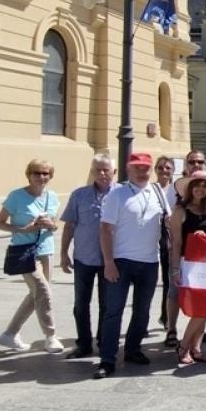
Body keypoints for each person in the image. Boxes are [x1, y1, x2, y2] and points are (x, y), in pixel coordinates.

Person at [95, 152, 169, 378]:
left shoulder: (157, 192)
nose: (141, 171)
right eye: (136, 167)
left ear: (150, 169)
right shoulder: (117, 194)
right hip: (122, 260)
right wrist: (108, 262)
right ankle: (107, 359)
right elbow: (106, 230)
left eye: (145, 167)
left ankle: (133, 349)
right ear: (129, 168)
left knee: (142, 311)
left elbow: (168, 221)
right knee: (113, 311)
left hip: (149, 261)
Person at [0, 159, 64, 354]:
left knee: (37, 295)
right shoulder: (16, 196)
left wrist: (50, 225)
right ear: (29, 175)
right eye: (37, 173)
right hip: (24, 251)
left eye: (45, 174)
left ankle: (10, 334)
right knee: (44, 292)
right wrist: (23, 228)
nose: (41, 177)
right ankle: (51, 337)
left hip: (46, 250)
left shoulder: (52, 197)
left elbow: (55, 225)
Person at [166, 170, 206, 365]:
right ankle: (184, 346)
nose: (200, 188)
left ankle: (196, 348)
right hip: (188, 264)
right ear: (190, 188)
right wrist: (175, 270)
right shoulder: (180, 211)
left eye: (204, 185)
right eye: (197, 184)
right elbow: (176, 243)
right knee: (201, 307)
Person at [58, 154, 115, 359]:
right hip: (84, 258)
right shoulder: (79, 195)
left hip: (110, 260)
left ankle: (103, 341)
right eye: (97, 169)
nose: (101, 173)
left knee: (107, 304)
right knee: (81, 304)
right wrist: (64, 254)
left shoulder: (120, 195)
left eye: (105, 170)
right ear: (92, 171)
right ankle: (83, 343)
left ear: (113, 172)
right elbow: (69, 225)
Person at [152, 155, 179, 342]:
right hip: (152, 238)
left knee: (168, 281)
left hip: (170, 238)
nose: (164, 171)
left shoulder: (177, 190)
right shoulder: (150, 189)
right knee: (151, 280)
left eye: (168, 168)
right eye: (160, 167)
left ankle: (166, 318)